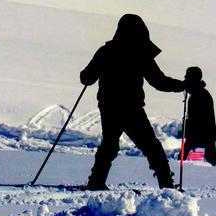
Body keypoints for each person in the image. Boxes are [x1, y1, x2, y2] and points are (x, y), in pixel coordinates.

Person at [80, 14, 190, 190]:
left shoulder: (106, 51)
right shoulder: (141, 54)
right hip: (132, 107)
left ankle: (96, 181)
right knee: (150, 145)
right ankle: (166, 184)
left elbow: (86, 78)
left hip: (109, 106)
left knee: (109, 143)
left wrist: (88, 76)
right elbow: (159, 82)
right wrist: (183, 86)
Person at [181, 66, 216, 167]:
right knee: (211, 157)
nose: (185, 77)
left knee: (189, 159)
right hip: (202, 135)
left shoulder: (199, 95)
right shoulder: (199, 93)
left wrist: (190, 132)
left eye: (187, 76)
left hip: (200, 135)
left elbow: (198, 119)